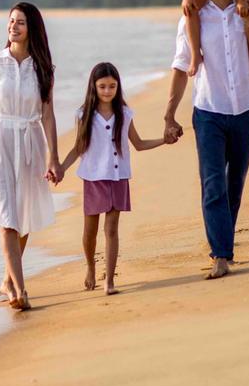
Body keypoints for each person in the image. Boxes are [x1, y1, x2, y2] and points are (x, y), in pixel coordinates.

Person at [165, 0, 249, 280]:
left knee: (234, 184)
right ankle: (221, 254)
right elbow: (179, 64)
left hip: (244, 109)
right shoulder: (192, 17)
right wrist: (169, 113)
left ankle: (223, 244)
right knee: (213, 184)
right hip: (208, 110)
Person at [0, 2, 62, 311]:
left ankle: (8, 278)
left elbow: (48, 115)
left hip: (31, 141)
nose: (13, 26)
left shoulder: (44, 68)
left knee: (25, 216)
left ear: (31, 27)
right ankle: (19, 289)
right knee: (8, 217)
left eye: (20, 22)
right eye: (11, 21)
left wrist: (54, 157)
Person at [53, 62, 173, 295]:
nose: (107, 91)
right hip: (93, 178)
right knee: (90, 231)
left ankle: (109, 281)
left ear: (118, 87)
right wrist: (61, 168)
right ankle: (90, 267)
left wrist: (163, 140)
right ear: (93, 87)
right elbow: (79, 147)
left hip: (118, 177)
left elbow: (138, 144)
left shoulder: (125, 114)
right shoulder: (83, 115)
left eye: (112, 86)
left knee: (111, 229)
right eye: (102, 86)